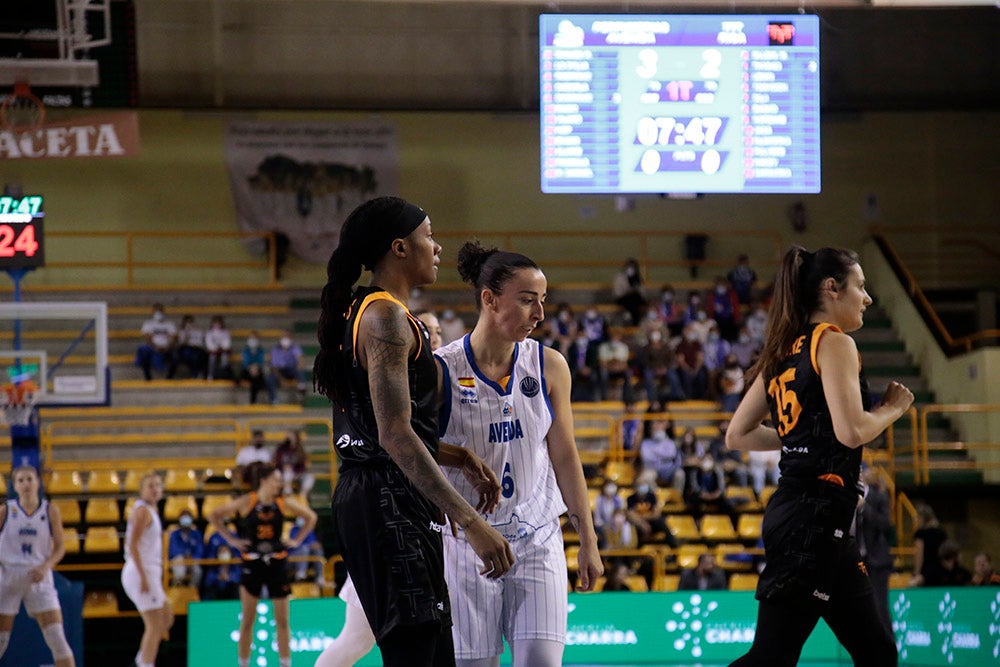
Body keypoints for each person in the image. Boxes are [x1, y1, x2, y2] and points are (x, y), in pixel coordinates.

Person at [312, 196, 513, 667]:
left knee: (432, 651)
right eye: (428, 236)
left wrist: (459, 456)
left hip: (383, 494)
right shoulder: (384, 318)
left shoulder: (369, 310)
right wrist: (472, 521)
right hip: (386, 501)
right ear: (400, 248)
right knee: (419, 653)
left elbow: (379, 427)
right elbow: (394, 435)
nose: (438, 247)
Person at [725, 245, 914, 667]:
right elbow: (852, 432)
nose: (866, 298)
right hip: (814, 520)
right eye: (860, 287)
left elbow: (737, 435)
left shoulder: (782, 349)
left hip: (811, 517)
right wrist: (892, 408)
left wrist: (804, 436)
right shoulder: (835, 343)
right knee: (772, 657)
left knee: (878, 653)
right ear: (831, 289)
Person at [435, 240, 603, 667]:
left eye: (542, 301)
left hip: (537, 537)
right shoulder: (440, 369)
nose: (540, 314)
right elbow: (412, 449)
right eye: (528, 301)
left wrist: (588, 539)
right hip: (466, 543)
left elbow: (565, 457)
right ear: (489, 299)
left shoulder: (550, 365)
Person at [207, 462, 317, 667]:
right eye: (276, 480)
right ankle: (244, 664)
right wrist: (232, 541)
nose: (279, 483)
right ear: (264, 481)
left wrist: (297, 540)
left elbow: (311, 517)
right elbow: (213, 515)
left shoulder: (283, 503)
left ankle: (285, 664)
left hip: (277, 563)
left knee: (283, 621)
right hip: (252, 564)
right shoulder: (248, 501)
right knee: (248, 620)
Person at [0, 465, 75, 667]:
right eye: (21, 480)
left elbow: (60, 548)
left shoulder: (50, 511)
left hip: (39, 577)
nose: (26, 484)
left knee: (57, 639)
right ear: (14, 486)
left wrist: (45, 567)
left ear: (38, 482)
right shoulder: (5, 511)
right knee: (1, 643)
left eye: (30, 479)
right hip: (8, 579)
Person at [122, 472, 174, 667]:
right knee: (154, 624)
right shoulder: (142, 511)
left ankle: (140, 660)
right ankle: (145, 664)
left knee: (166, 618)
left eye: (158, 485)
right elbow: (132, 545)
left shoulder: (153, 510)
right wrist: (143, 577)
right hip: (139, 571)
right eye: (150, 485)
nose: (155, 489)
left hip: (150, 571)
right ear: (142, 490)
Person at [857, 465, 894, 632]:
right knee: (863, 608)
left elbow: (885, 524)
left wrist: (864, 507)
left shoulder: (879, 497)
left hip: (878, 560)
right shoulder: (848, 497)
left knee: (880, 606)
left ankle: (888, 648)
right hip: (860, 561)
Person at [909, 501, 948, 587]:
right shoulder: (942, 532)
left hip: (926, 571)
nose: (916, 520)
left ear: (922, 518)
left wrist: (916, 573)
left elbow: (919, 555)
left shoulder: (920, 534)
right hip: (941, 571)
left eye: (917, 518)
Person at [135, 303, 177, 380]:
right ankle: (147, 376)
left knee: (176, 355)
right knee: (143, 350)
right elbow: (146, 337)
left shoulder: (169, 324)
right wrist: (155, 347)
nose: (159, 313)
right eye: (156, 311)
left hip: (167, 348)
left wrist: (167, 347)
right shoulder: (148, 323)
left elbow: (174, 338)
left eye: (160, 311)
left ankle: (169, 377)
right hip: (152, 347)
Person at [201, 524, 241, 600]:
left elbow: (238, 576)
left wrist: (230, 577)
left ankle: (237, 607)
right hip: (217, 587)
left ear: (230, 553)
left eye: (226, 551)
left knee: (236, 586)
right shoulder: (214, 566)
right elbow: (208, 579)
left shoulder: (234, 565)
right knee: (210, 588)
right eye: (222, 552)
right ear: (218, 554)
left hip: (230, 588)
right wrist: (217, 578)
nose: (224, 554)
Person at [168, 509, 204, 587]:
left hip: (192, 559)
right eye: (184, 517)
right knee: (180, 571)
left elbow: (199, 549)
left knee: (198, 571)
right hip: (178, 559)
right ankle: (177, 588)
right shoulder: (174, 534)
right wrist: (184, 557)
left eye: (188, 517)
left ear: (191, 519)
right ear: (180, 519)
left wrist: (193, 558)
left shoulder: (196, 534)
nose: (186, 519)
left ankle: (192, 589)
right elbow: (173, 549)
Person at [272, 429, 314, 497]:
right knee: (288, 473)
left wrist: (297, 471)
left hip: (297, 472)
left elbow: (303, 463)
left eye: (291, 436)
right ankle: (288, 494)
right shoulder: (281, 448)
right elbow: (277, 461)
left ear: (296, 438)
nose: (289, 438)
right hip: (283, 472)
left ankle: (302, 496)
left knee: (309, 478)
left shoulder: (300, 449)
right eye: (288, 436)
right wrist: (284, 466)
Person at [268, 330, 307, 401]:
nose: (285, 339)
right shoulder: (275, 350)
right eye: (283, 337)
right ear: (280, 338)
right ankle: (273, 399)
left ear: (290, 338)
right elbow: (273, 367)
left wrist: (300, 365)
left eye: (287, 337)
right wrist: (281, 379)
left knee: (299, 370)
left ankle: (301, 390)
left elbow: (300, 359)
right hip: (279, 371)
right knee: (270, 379)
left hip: (291, 369)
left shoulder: (295, 347)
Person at [240, 330, 272, 404]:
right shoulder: (245, 350)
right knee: (255, 379)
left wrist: (255, 368)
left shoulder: (261, 350)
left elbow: (261, 361)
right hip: (247, 371)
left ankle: (255, 401)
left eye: (255, 338)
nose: (253, 340)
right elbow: (245, 362)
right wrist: (251, 368)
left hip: (257, 371)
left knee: (258, 379)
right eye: (251, 338)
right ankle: (253, 401)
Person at [612, 257, 647, 325]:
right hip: (623, 298)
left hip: (636, 298)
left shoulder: (638, 278)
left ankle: (628, 315)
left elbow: (643, 293)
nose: (630, 269)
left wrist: (635, 290)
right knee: (630, 300)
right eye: (629, 267)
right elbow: (617, 292)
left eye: (633, 267)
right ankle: (634, 322)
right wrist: (627, 291)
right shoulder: (619, 277)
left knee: (634, 299)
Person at [175, 314, 208, 378]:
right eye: (188, 322)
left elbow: (200, 342)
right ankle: (195, 374)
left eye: (191, 322)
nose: (189, 324)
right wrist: (187, 334)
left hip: (197, 348)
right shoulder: (181, 332)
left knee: (205, 355)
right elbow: (181, 344)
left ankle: (205, 374)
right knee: (193, 357)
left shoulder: (197, 331)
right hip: (186, 349)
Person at [204, 315, 233, 380]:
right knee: (212, 358)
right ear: (212, 324)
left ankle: (223, 374)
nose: (217, 325)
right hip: (213, 351)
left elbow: (227, 343)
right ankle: (210, 375)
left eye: (219, 323)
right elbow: (209, 344)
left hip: (223, 351)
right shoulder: (209, 333)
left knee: (224, 358)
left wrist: (221, 348)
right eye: (215, 323)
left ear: (221, 324)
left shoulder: (225, 333)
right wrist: (215, 348)